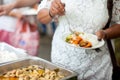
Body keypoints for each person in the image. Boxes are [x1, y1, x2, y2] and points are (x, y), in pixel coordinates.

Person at [37, 0, 113, 80]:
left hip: (99, 65)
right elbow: (41, 17)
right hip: (63, 62)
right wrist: (51, 12)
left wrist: (105, 33)